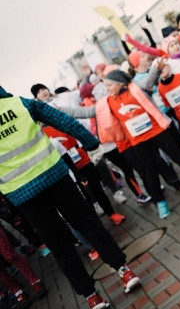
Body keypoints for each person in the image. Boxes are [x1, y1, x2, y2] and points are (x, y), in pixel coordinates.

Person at [0, 84, 141, 309]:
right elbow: (61, 119)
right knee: (88, 223)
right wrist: (89, 141)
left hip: (23, 193)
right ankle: (123, 270)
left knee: (59, 244)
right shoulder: (20, 103)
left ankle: (91, 296)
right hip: (54, 175)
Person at [94, 69, 180, 220]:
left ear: (120, 83)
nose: (107, 89)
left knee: (179, 157)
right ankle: (161, 202)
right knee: (150, 171)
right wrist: (61, 111)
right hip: (138, 140)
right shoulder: (108, 102)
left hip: (156, 131)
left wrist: (157, 67)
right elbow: (86, 112)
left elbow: (151, 79)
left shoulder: (136, 89)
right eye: (106, 86)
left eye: (109, 85)